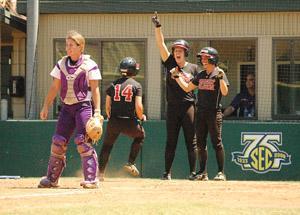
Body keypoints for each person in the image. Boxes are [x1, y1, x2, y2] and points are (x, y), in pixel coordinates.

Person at [38, 30, 103, 189]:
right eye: (67, 45)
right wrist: (46, 105)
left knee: (83, 141)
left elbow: (95, 90)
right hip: (67, 107)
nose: (68, 48)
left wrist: (97, 112)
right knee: (58, 142)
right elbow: (55, 87)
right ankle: (52, 179)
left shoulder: (89, 65)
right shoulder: (61, 64)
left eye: (71, 45)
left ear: (81, 47)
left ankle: (91, 179)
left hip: (83, 106)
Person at [152, 12, 198, 180]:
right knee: (171, 141)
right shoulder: (170, 63)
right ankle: (167, 173)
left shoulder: (193, 68)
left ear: (185, 52)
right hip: (172, 107)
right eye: (175, 50)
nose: (177, 52)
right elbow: (160, 44)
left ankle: (193, 172)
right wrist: (158, 27)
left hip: (188, 107)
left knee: (190, 141)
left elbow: (193, 86)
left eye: (180, 50)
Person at [173, 47, 229, 181]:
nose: (203, 60)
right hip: (201, 113)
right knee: (200, 143)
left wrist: (221, 78)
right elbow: (187, 88)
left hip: (214, 113)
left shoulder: (219, 73)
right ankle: (202, 172)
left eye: (205, 57)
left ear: (213, 58)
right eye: (202, 57)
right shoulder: (201, 75)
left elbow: (225, 92)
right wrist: (176, 76)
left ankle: (221, 172)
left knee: (216, 142)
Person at [98, 57, 146, 181]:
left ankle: (100, 174)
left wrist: (110, 116)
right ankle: (130, 163)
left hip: (114, 121)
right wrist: (141, 116)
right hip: (129, 121)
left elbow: (107, 106)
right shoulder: (137, 85)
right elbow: (139, 106)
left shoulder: (114, 84)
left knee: (107, 146)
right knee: (140, 136)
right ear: (134, 71)